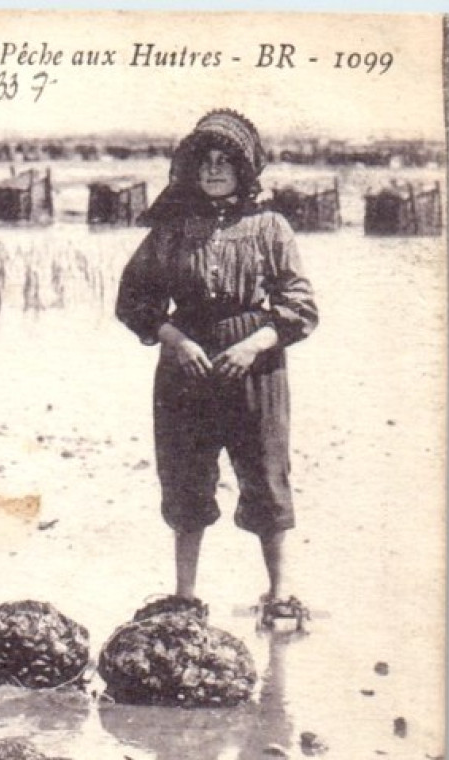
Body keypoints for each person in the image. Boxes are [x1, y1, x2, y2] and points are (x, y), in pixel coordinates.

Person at [114, 109, 319, 625]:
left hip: (255, 369)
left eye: (223, 161)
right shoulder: (170, 229)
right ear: (190, 169)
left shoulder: (271, 227)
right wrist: (175, 339)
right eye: (204, 162)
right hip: (185, 367)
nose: (213, 170)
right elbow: (134, 299)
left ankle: (279, 594)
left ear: (244, 168)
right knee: (185, 477)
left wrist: (252, 347)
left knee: (266, 475)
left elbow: (300, 306)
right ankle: (185, 597)